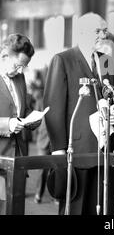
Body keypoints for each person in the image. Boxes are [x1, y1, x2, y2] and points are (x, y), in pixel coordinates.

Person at [43, 12, 114, 215]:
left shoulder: (108, 61)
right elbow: (53, 109)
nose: (103, 36)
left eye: (105, 31)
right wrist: (59, 152)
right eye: (98, 31)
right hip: (76, 150)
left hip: (107, 150)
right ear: (81, 32)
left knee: (104, 207)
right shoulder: (63, 60)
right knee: (76, 208)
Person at [0, 33, 40, 214]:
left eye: (24, 67)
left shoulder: (19, 78)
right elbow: (10, 119)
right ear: (4, 56)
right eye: (18, 66)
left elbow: (21, 112)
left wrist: (33, 119)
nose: (21, 71)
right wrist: (7, 124)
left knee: (15, 209)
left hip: (17, 160)